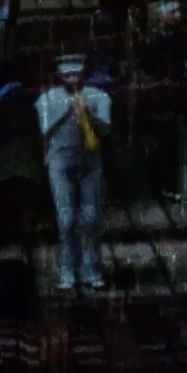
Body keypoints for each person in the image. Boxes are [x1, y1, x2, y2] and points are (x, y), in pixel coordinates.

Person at [35, 53, 111, 290]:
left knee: (91, 219)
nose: (73, 79)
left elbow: (106, 130)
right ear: (60, 75)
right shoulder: (47, 99)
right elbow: (44, 130)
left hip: (91, 162)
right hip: (60, 162)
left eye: (77, 74)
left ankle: (92, 271)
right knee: (66, 220)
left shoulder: (99, 96)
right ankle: (67, 272)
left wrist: (89, 114)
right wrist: (66, 110)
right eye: (67, 75)